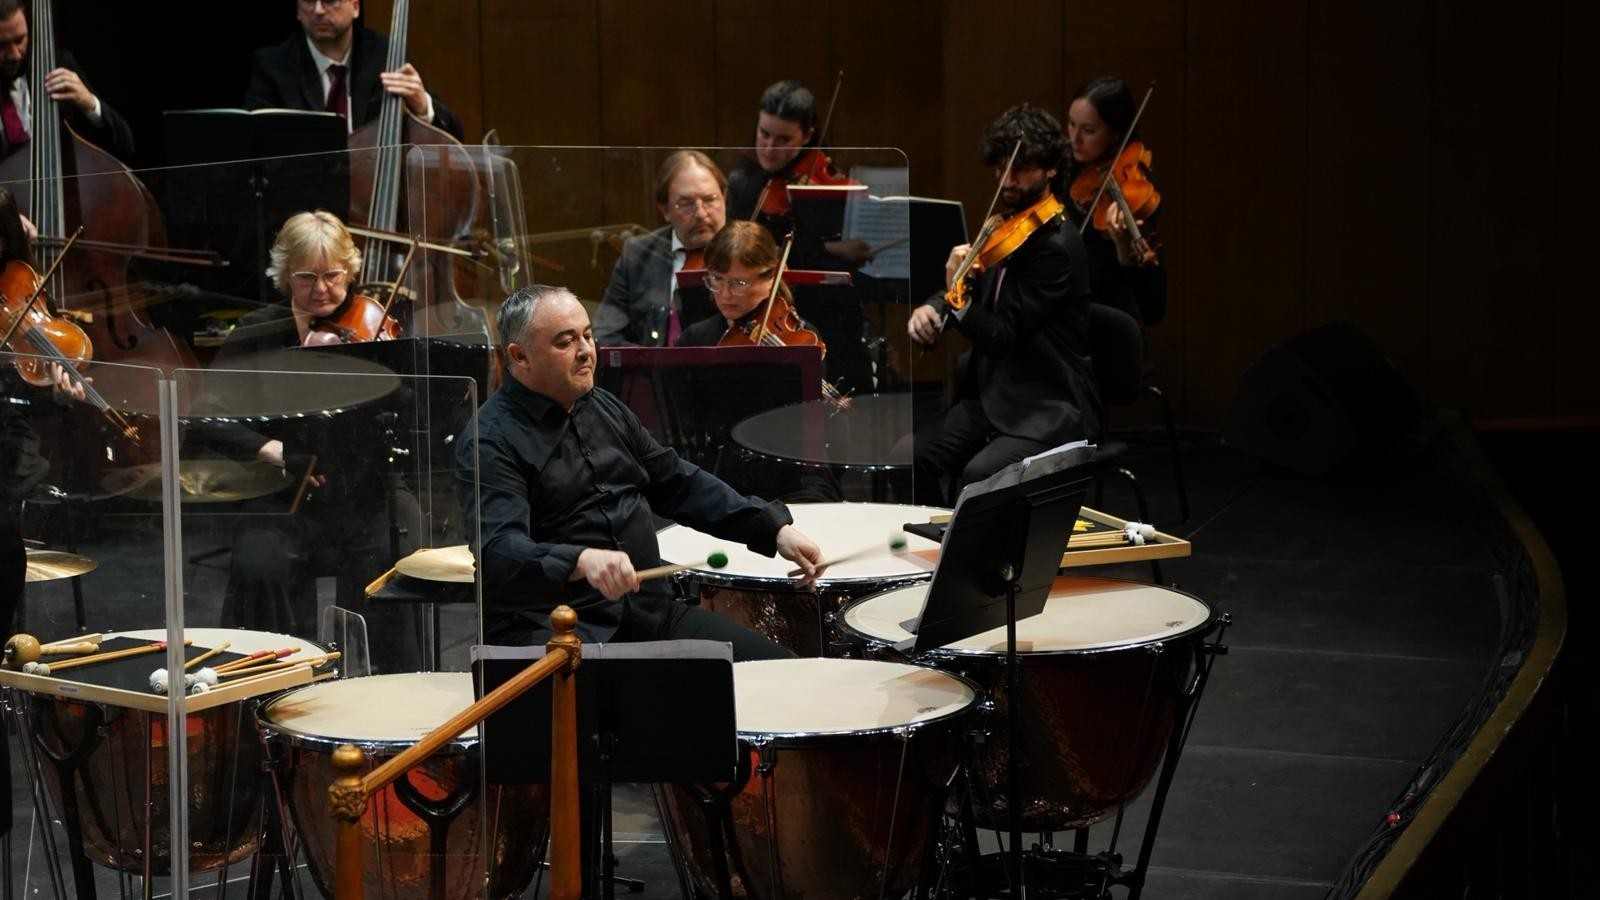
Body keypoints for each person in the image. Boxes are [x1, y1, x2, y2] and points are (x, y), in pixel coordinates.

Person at [457, 283, 824, 653]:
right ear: (519, 357)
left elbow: (676, 481)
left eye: (588, 336)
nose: (586, 351)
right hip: (561, 629)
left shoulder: (603, 407)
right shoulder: (491, 441)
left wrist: (772, 527)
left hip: (649, 613)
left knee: (777, 669)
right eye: (565, 342)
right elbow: (499, 550)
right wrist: (580, 560)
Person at [194, 211, 421, 667]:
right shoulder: (257, 334)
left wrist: (379, 375)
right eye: (307, 277)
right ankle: (281, 680)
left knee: (397, 551)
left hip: (365, 490)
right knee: (260, 563)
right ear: (284, 275)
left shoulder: (372, 328)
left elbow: (414, 406)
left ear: (350, 271)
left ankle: (386, 684)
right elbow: (206, 416)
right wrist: (272, 449)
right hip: (283, 496)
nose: (321, 289)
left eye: (333, 275)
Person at [906, 104, 1097, 506]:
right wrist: (935, 308)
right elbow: (972, 278)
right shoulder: (1005, 225)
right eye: (1000, 168)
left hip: (1045, 402)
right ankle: (932, 553)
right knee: (911, 459)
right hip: (994, 394)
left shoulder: (1056, 248)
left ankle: (969, 561)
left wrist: (957, 302)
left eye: (1020, 168)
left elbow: (1001, 336)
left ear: (1049, 169)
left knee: (978, 479)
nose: (1006, 180)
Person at [244, 0, 464, 140]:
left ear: (356, 7)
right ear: (298, 11)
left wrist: (423, 107)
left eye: (330, 0)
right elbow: (253, 146)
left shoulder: (386, 55)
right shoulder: (272, 66)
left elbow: (454, 135)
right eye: (309, 1)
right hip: (303, 201)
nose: (318, 10)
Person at [1062, 76, 1167, 326]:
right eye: (1071, 125)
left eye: (1088, 130)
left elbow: (1152, 306)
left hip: (1109, 328)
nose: (1075, 139)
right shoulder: (1066, 168)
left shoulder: (1135, 188)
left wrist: (1124, 249)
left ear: (1116, 133)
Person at [593, 150, 724, 347]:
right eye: (686, 203)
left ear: (725, 197)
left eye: (710, 199)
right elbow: (606, 334)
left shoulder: (750, 251)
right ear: (665, 210)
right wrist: (654, 364)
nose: (700, 213)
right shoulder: (636, 253)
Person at [0, 0, 135, 161]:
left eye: (20, 40)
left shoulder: (57, 65)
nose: (14, 54)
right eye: (2, 45)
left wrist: (90, 104)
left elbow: (126, 146)